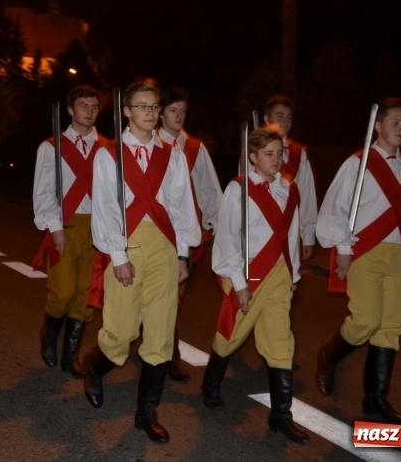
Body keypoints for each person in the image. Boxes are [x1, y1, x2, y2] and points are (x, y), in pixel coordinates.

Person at [83, 78, 200, 444]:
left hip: (164, 246)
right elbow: (104, 208)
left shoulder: (174, 154)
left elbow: (181, 208)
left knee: (161, 334)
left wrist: (183, 254)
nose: (150, 113)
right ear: (126, 111)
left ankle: (145, 413)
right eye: (143, 107)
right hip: (127, 243)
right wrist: (117, 256)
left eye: (154, 107)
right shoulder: (108, 155)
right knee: (121, 332)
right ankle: (93, 365)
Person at [314, 97, 401, 425]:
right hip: (365, 251)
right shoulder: (358, 164)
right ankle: (329, 355)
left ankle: (375, 400)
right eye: (394, 122)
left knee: (389, 327)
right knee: (366, 321)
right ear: (378, 125)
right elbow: (337, 207)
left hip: (399, 254)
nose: (400, 129)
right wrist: (342, 246)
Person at [202, 127, 309, 444]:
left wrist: (294, 276)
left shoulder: (289, 188)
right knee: (232, 334)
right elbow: (227, 238)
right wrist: (238, 284)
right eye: (268, 154)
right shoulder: (238, 190)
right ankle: (210, 382)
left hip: (279, 274)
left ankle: (280, 417)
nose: (276, 160)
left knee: (280, 341)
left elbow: (292, 236)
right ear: (252, 157)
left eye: (280, 153)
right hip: (247, 274)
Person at [32, 86, 108, 378]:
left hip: (98, 227)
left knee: (85, 294)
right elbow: (43, 192)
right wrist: (55, 229)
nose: (89, 111)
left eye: (93, 106)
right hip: (65, 224)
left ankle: (70, 354)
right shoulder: (52, 147)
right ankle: (48, 336)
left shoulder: (108, 147)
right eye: (83, 106)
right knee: (63, 292)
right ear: (70, 110)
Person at [156, 86, 223, 382]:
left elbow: (210, 191)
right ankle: (165, 351)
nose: (179, 116)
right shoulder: (150, 143)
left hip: (184, 235)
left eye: (183, 111)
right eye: (173, 110)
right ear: (160, 112)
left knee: (173, 297)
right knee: (157, 296)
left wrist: (218, 227)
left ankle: (166, 352)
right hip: (154, 232)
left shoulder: (195, 148)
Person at [262, 95, 317, 262]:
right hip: (260, 226)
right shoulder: (253, 150)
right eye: (279, 116)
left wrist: (308, 236)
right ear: (266, 119)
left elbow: (307, 196)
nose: (285, 121)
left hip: (289, 228)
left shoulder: (298, 153)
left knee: (287, 281)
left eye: (288, 117)